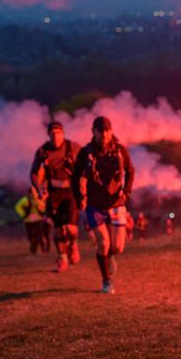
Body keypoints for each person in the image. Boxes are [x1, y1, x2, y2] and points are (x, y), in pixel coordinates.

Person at [71, 116, 135, 294]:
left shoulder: (120, 150)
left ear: (111, 131)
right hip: (94, 204)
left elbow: (130, 171)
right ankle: (107, 281)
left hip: (116, 203)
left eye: (107, 130)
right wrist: (79, 197)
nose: (104, 134)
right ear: (93, 131)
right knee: (103, 242)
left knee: (117, 247)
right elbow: (76, 176)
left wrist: (127, 192)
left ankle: (110, 257)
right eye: (100, 130)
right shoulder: (86, 152)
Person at [31, 121, 82, 272]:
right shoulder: (43, 151)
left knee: (71, 228)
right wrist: (39, 190)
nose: (56, 136)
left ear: (63, 133)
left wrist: (83, 186)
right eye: (52, 133)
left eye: (58, 133)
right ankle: (62, 259)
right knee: (58, 229)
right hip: (53, 194)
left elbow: (86, 166)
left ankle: (73, 245)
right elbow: (34, 172)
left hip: (71, 191)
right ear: (48, 135)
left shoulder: (73, 147)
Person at [14, 187, 46, 255]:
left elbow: (44, 206)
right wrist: (23, 214)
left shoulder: (38, 200)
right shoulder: (25, 200)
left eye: (34, 193)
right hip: (28, 220)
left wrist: (42, 213)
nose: (33, 194)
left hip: (37, 220)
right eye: (31, 193)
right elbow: (17, 206)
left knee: (38, 235)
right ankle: (32, 245)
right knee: (30, 236)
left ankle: (35, 250)